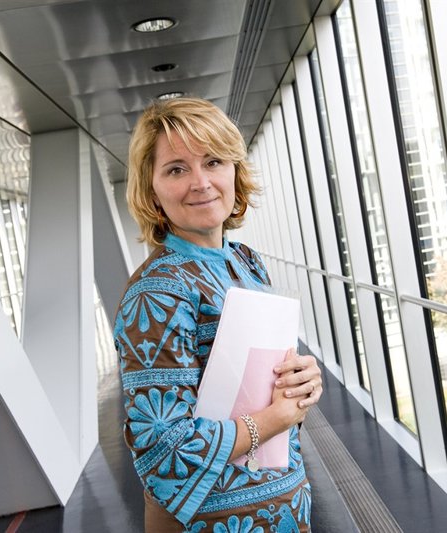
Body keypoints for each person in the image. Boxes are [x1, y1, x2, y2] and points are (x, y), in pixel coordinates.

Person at [113, 97, 323, 532]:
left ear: (234, 171)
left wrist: (301, 384)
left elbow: (264, 390)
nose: (201, 182)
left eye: (213, 162)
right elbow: (164, 450)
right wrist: (275, 419)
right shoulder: (156, 292)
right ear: (152, 191)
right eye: (176, 169)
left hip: (284, 511)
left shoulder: (245, 262)